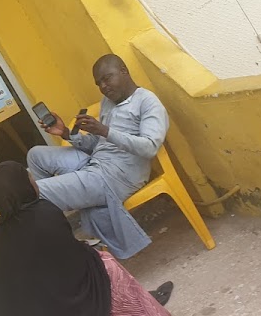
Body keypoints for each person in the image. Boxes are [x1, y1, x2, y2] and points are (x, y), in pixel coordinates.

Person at [0, 162, 191, 316]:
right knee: (107, 267)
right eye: (29, 178)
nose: (34, 181)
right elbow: (75, 266)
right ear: (22, 187)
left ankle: (141, 306)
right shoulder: (44, 214)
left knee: (92, 266)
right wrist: (90, 252)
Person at [27, 54, 168, 260]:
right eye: (99, 83)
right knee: (36, 155)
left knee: (33, 191)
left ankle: (51, 243)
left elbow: (150, 147)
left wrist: (105, 130)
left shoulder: (147, 102)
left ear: (124, 71)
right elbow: (99, 144)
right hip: (96, 163)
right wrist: (66, 133)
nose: (103, 87)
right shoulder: (108, 102)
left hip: (119, 175)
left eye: (107, 78)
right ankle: (53, 220)